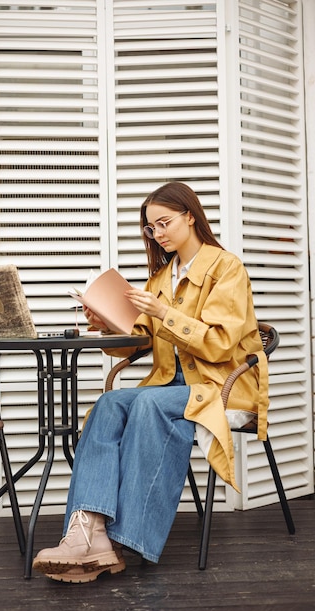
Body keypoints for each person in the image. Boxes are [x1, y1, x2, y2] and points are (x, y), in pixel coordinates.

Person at [32, 181, 268, 583]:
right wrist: (105, 324)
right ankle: (85, 531)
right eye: (150, 228)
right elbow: (135, 344)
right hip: (169, 386)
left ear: (190, 215)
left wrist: (164, 312)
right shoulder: (161, 276)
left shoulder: (226, 268)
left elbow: (220, 343)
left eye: (164, 223)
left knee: (146, 403)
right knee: (109, 404)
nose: (157, 234)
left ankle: (122, 537)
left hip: (220, 384)